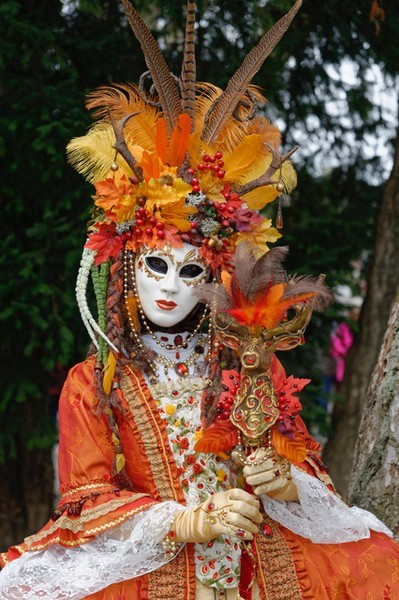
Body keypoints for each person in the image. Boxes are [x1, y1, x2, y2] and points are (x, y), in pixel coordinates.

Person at [1, 1, 398, 598]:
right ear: (126, 265)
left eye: (190, 271)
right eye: (155, 265)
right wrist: (184, 520)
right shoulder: (96, 384)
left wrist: (285, 482)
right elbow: (84, 503)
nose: (169, 285)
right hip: (155, 573)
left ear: (218, 274)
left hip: (256, 568)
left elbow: (302, 461)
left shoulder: (249, 361)